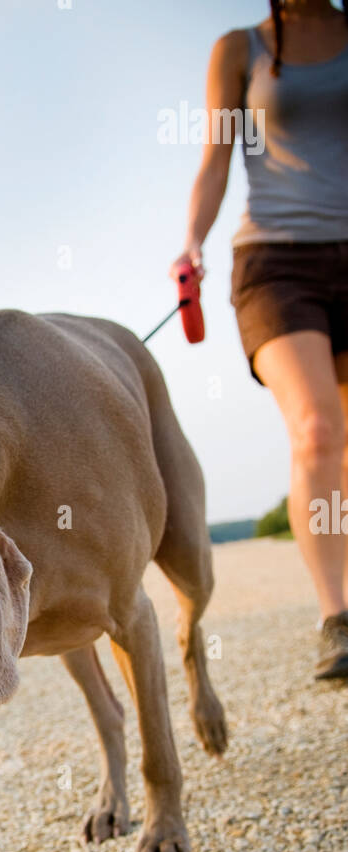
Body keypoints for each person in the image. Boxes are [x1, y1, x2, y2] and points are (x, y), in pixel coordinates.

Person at [173, 0, 348, 679]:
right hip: (274, 262)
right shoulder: (238, 49)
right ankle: (336, 618)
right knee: (315, 428)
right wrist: (190, 243)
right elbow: (215, 157)